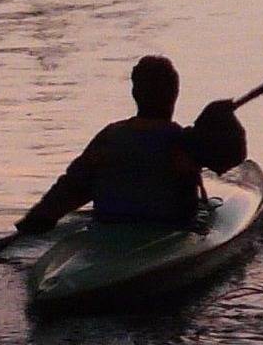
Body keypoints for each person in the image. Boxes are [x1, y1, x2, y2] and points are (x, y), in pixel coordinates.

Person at [13, 55, 246, 234]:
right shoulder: (186, 144)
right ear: (175, 94)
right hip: (169, 229)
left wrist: (39, 219)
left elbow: (72, 187)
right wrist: (220, 117)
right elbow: (232, 155)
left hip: (110, 228)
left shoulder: (108, 139)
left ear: (135, 93)